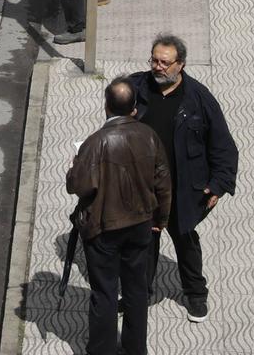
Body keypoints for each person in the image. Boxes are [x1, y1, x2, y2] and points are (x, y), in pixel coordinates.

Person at [124, 35, 239, 323]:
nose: (158, 67)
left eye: (165, 62)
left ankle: (195, 294)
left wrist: (219, 184)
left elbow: (223, 146)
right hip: (144, 188)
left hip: (183, 191)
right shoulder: (135, 88)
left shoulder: (199, 99)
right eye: (154, 60)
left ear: (181, 65)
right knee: (143, 242)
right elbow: (113, 125)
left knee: (186, 242)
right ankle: (139, 294)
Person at [65, 78, 171, 355]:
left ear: (106, 106)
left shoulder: (95, 143)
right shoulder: (149, 136)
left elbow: (78, 186)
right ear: (134, 109)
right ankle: (136, 348)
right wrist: (161, 220)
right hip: (140, 225)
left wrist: (75, 165)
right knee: (136, 289)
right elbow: (163, 183)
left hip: (104, 227)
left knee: (105, 291)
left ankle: (102, 350)